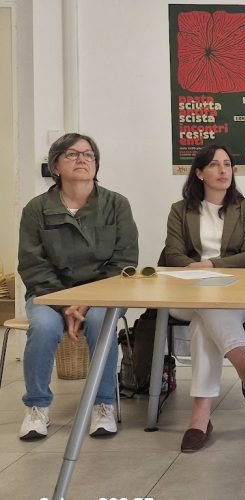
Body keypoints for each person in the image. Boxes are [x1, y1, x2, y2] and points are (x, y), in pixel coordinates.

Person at [17, 133, 138, 440]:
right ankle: (37, 408)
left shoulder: (116, 204)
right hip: (50, 294)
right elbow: (33, 264)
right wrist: (66, 304)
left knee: (101, 320)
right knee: (43, 328)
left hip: (105, 292)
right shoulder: (36, 209)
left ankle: (103, 404)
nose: (83, 159)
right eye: (72, 154)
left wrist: (86, 301)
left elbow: (124, 263)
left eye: (89, 155)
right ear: (55, 166)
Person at [163, 144, 245, 452]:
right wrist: (197, 270)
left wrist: (212, 265)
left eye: (227, 164)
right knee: (205, 303)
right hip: (188, 294)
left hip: (238, 294)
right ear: (199, 173)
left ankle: (200, 418)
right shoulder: (180, 210)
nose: (223, 170)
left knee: (205, 324)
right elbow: (172, 254)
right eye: (214, 165)